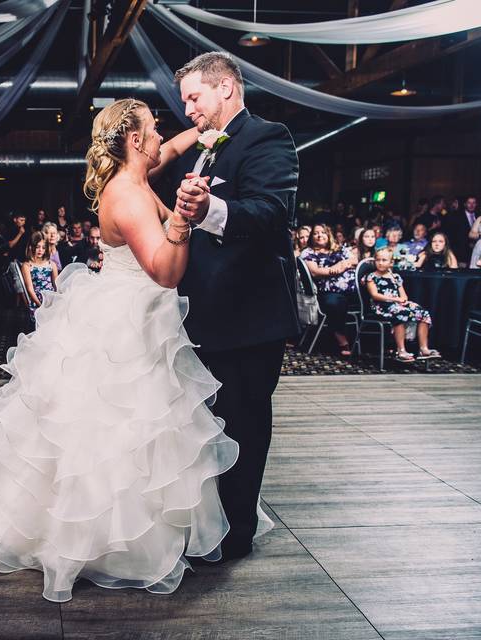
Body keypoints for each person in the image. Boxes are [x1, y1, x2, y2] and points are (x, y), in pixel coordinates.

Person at [0, 98, 241, 603]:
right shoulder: (129, 197)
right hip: (129, 317)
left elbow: (172, 149)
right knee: (121, 427)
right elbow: (166, 271)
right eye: (153, 130)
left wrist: (204, 133)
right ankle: (111, 541)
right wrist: (180, 217)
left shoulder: (140, 170)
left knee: (148, 426)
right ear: (134, 141)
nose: (160, 137)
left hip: (135, 308)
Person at [152, 51, 297, 561]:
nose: (188, 108)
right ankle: (211, 522)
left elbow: (270, 211)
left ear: (226, 89)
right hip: (208, 315)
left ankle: (237, 534)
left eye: (194, 97)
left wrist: (210, 208)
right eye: (186, 99)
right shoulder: (208, 149)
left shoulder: (267, 137)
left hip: (249, 317)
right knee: (210, 424)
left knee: (244, 423)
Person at [366, 248, 439, 362]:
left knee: (423, 312)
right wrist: (395, 299)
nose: (380, 263)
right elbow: (375, 295)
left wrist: (405, 301)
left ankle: (423, 348)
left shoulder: (395, 277)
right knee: (399, 313)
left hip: (396, 304)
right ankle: (401, 350)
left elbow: (403, 296)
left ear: (391, 263)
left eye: (384, 260)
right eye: (378, 260)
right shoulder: (371, 277)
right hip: (381, 306)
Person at [299, 224, 358, 357]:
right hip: (327, 292)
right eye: (316, 233)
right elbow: (316, 272)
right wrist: (338, 267)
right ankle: (340, 336)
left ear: (329, 235)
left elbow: (354, 259)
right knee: (334, 302)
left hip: (352, 290)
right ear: (312, 237)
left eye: (323, 232)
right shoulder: (308, 252)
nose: (320, 235)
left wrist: (342, 264)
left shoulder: (339, 248)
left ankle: (382, 340)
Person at [20, 232, 57, 319]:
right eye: (37, 247)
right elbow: (30, 289)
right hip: (36, 300)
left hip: (51, 298)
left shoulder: (51, 264)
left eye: (43, 247)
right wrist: (40, 305)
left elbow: (56, 285)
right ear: (31, 247)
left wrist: (55, 300)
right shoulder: (27, 265)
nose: (40, 250)